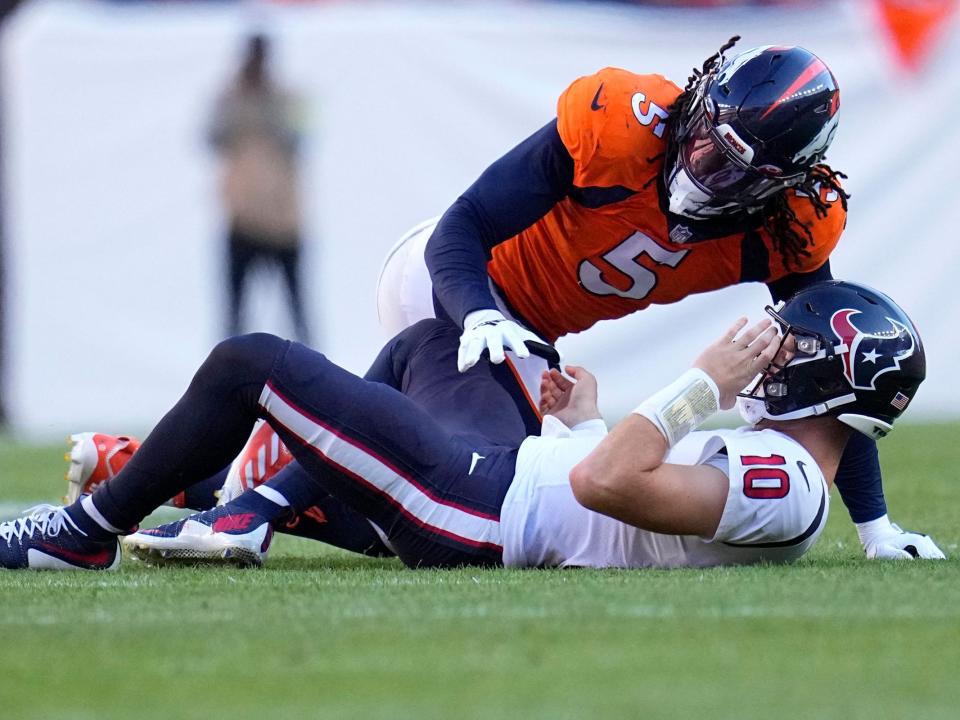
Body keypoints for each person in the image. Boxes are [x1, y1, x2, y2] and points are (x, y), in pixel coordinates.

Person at [374, 39, 936, 559]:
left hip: (530, 334)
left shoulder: (787, 224)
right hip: (454, 284)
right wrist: (478, 312)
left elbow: (834, 376)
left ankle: (291, 479)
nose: (699, 166)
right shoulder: (622, 123)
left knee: (438, 498)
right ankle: (288, 487)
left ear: (775, 186)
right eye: (702, 140)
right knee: (467, 498)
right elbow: (461, 226)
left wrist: (875, 528)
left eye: (729, 168)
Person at [0, 281, 942, 570]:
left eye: (783, 349)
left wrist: (694, 387)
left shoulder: (792, 486)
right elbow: (611, 493)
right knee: (441, 341)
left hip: (480, 510)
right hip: (503, 474)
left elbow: (603, 488)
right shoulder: (779, 468)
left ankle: (85, 535)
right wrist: (587, 419)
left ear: (830, 376)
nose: (763, 355)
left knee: (252, 360)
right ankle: (222, 497)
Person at [209, 33, 311, 343]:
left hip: (283, 220)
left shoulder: (288, 98)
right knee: (234, 315)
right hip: (242, 218)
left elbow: (303, 137)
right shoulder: (229, 98)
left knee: (298, 311)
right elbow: (211, 137)